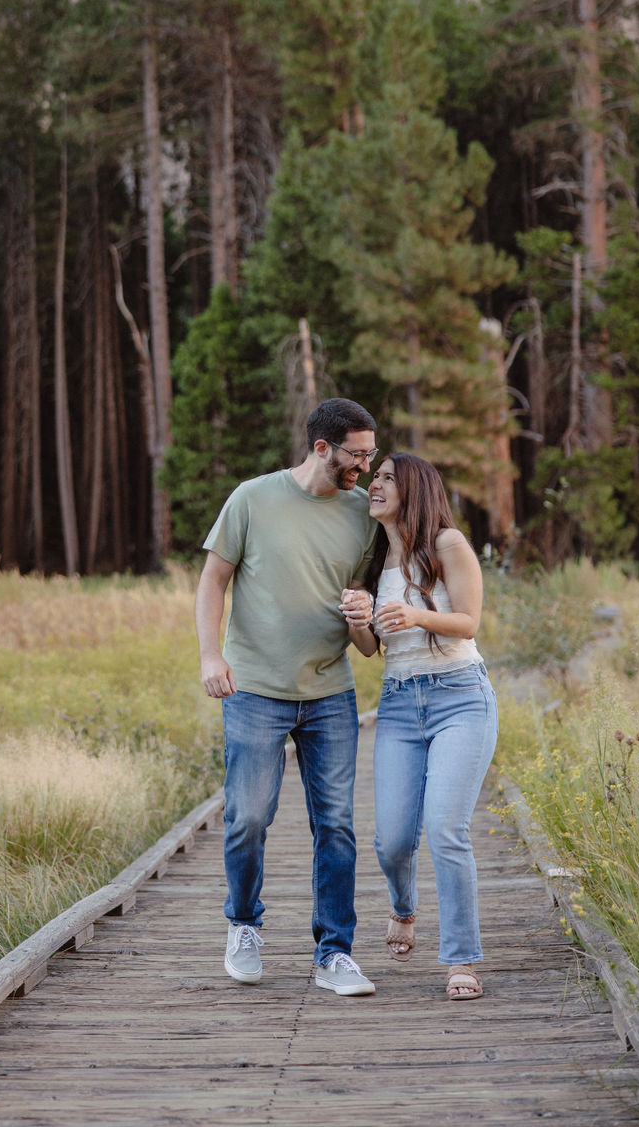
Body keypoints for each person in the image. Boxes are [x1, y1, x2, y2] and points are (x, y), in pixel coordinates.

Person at [195, 397, 380, 997]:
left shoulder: (364, 515)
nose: (366, 468)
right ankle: (243, 924)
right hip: (254, 689)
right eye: (357, 455)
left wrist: (362, 618)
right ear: (322, 448)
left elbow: (366, 635)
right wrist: (209, 655)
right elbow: (213, 580)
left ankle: (334, 953)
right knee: (248, 817)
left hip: (330, 690)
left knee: (337, 825)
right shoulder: (252, 498)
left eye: (371, 455)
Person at [343, 452, 498, 1001]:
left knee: (446, 829)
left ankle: (462, 961)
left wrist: (416, 615)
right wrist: (359, 620)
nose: (375, 484)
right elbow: (368, 650)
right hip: (400, 704)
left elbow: (469, 622)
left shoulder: (448, 545)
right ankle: (403, 909)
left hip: (461, 697)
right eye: (374, 477)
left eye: (387, 477)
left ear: (415, 489)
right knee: (392, 841)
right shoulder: (376, 561)